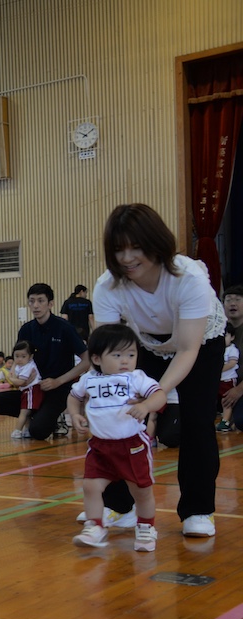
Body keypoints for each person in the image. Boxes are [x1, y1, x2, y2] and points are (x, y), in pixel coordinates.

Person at [89, 203, 226, 538]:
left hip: (199, 343)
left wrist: (157, 393)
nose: (127, 258)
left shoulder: (189, 277)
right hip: (146, 343)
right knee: (120, 414)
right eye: (118, 249)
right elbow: (108, 348)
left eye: (136, 247)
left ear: (156, 242)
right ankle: (120, 505)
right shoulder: (107, 286)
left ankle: (198, 510)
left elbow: (188, 349)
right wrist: (105, 394)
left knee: (196, 422)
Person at [68, 325, 165, 552]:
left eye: (131, 355)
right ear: (96, 358)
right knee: (90, 486)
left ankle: (146, 527)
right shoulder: (88, 379)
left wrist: (145, 406)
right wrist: (74, 414)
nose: (125, 361)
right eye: (117, 355)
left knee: (141, 490)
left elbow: (159, 395)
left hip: (132, 445)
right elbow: (73, 397)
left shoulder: (136, 377)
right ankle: (95, 526)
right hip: (100, 446)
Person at [0, 284, 88, 439]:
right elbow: (17, 360)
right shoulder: (26, 330)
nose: (36, 305)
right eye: (32, 301)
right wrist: (15, 378)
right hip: (32, 389)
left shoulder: (64, 328)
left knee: (38, 432)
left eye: (40, 301)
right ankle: (38, 414)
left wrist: (58, 381)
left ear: (50, 303)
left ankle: (53, 417)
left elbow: (86, 361)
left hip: (58, 390)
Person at [7, 341, 40, 439]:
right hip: (26, 391)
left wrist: (10, 379)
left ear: (30, 356)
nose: (19, 359)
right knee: (27, 412)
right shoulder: (20, 366)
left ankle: (17, 430)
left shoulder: (29, 366)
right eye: (17, 356)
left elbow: (20, 382)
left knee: (24, 412)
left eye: (23, 356)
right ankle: (27, 430)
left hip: (32, 390)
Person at [219, 328, 238, 433]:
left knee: (226, 401)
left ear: (232, 337)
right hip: (218, 380)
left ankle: (225, 422)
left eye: (225, 336)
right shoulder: (218, 349)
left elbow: (232, 363)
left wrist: (217, 370)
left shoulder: (232, 349)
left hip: (228, 380)